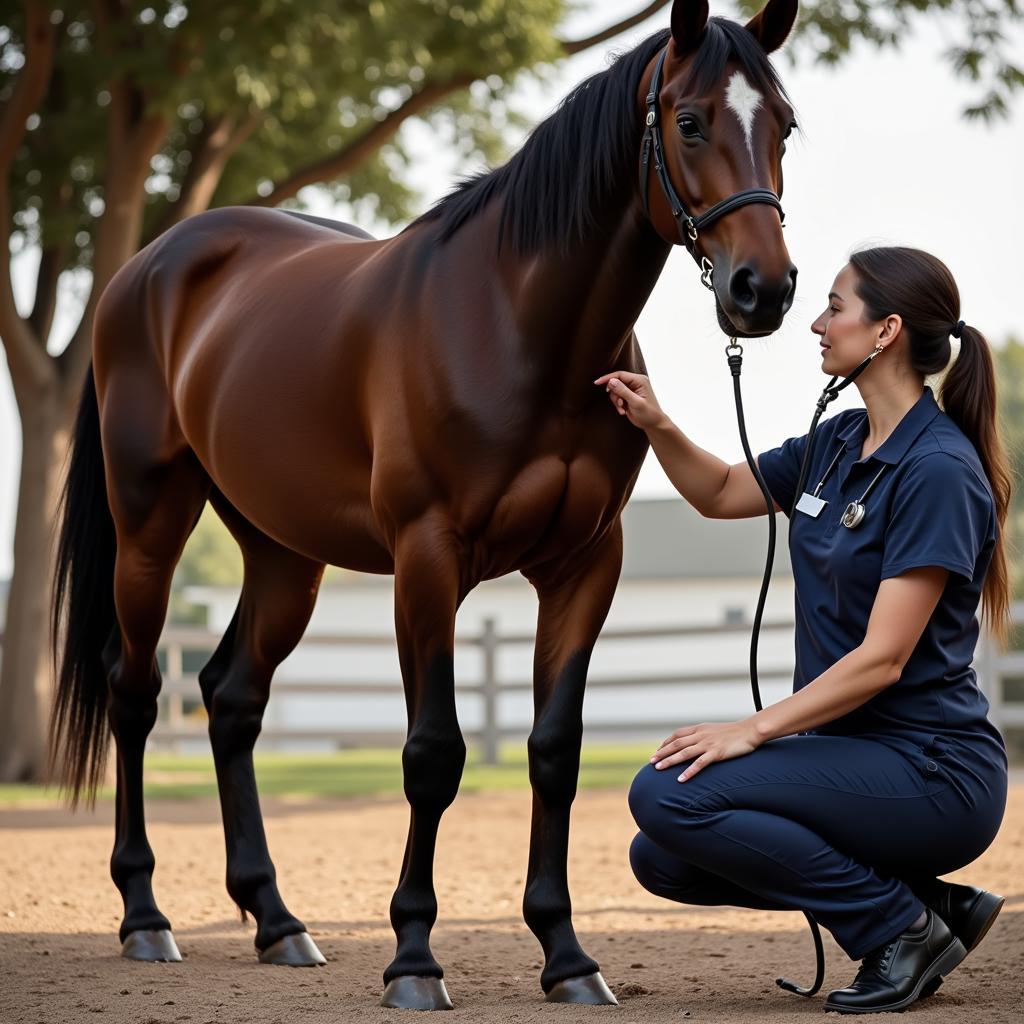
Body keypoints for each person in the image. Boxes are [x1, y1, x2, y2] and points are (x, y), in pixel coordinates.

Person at [594, 246, 1012, 1015]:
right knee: (664, 858)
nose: (816, 325)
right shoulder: (837, 441)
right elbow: (721, 492)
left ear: (885, 331)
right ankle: (929, 907)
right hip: (850, 757)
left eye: (834, 307)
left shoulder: (939, 472)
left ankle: (899, 928)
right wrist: (657, 424)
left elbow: (882, 660)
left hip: (933, 771)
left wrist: (750, 730)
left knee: (667, 797)